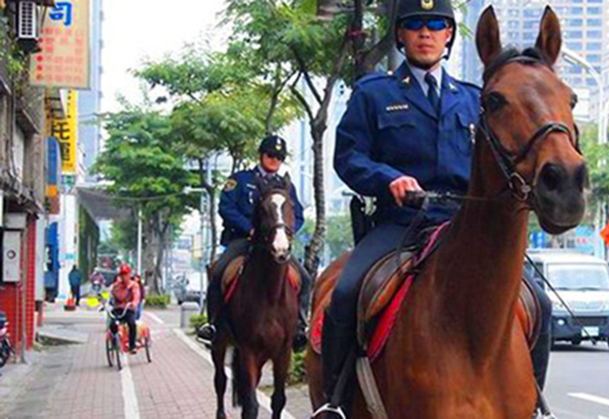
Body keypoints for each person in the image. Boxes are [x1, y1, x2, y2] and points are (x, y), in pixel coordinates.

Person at [324, 0, 552, 410]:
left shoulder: (473, 99)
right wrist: (387, 179)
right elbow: (348, 156)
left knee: (540, 303)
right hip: (399, 225)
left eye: (435, 24)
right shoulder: (375, 94)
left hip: (460, 224)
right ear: (400, 35)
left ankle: (532, 404)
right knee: (347, 292)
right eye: (415, 25)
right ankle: (335, 403)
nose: (425, 33)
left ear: (449, 36)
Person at [197, 135, 310, 350]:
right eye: (271, 155)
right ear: (261, 155)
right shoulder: (240, 180)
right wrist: (248, 228)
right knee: (220, 271)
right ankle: (213, 325)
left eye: (279, 157)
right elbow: (226, 207)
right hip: (243, 241)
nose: (274, 159)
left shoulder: (287, 186)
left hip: (274, 244)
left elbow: (298, 216)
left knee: (304, 278)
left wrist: (284, 234)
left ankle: (299, 327)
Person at [109, 265, 141, 353]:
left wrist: (134, 303)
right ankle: (114, 342)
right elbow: (112, 297)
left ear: (129, 274)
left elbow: (136, 296)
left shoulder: (134, 285)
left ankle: (132, 345)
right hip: (118, 309)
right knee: (112, 324)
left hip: (128, 309)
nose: (123, 277)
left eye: (125, 274)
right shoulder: (116, 286)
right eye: (122, 275)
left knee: (132, 324)